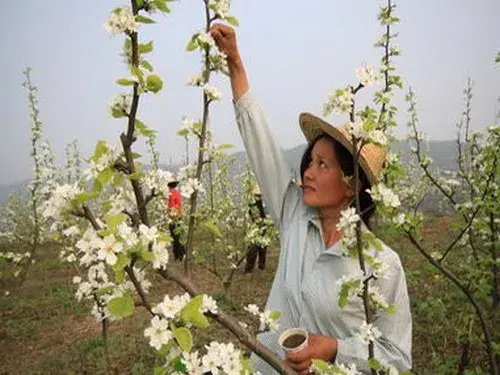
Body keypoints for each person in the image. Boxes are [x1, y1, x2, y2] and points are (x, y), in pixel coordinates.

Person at [210, 24, 412, 374]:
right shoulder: (294, 216)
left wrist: (334, 349)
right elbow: (262, 149)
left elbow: (395, 356)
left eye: (323, 165)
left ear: (351, 185)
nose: (308, 172)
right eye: (309, 161)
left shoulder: (382, 264)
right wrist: (237, 66)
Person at [244, 184, 268, 273]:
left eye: (260, 195)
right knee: (253, 249)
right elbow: (254, 216)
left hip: (263, 227)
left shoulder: (264, 204)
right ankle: (248, 270)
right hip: (254, 229)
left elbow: (266, 216)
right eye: (257, 195)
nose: (259, 197)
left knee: (263, 248)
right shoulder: (252, 204)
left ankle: (261, 267)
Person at [166, 180, 185, 261]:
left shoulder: (171, 194)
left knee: (175, 237)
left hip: (174, 218)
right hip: (179, 216)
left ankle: (178, 255)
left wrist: (168, 212)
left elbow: (172, 206)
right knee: (179, 236)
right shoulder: (178, 192)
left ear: (170, 187)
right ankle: (182, 253)